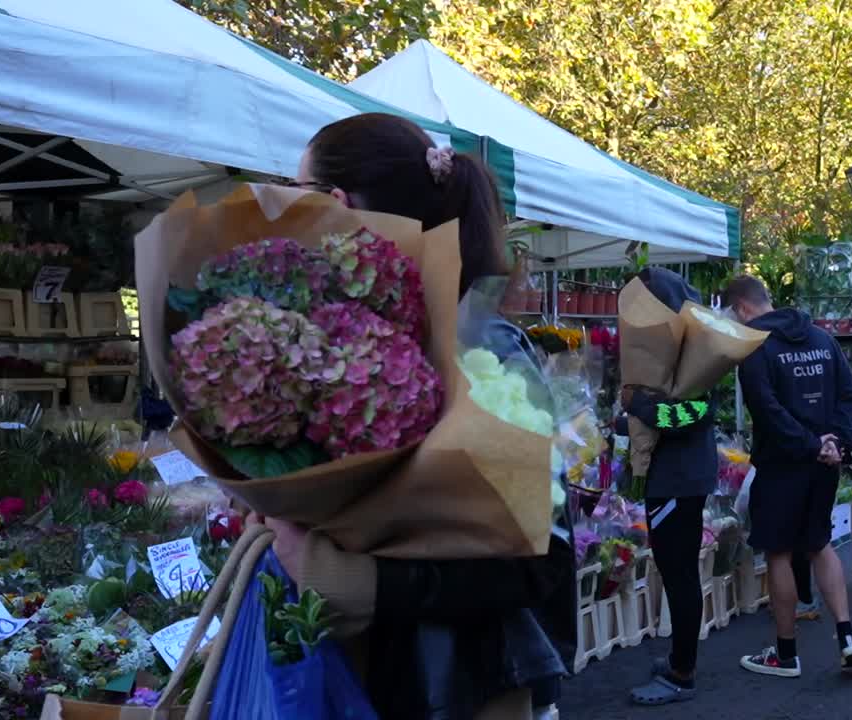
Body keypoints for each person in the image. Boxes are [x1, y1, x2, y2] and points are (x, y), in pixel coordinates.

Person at [264, 112, 575, 720]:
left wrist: (357, 582)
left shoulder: (482, 350)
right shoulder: (335, 344)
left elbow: (545, 562)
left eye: (293, 190)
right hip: (358, 682)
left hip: (462, 692)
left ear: (334, 205)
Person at [725, 274, 852, 677]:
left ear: (740, 309)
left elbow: (767, 410)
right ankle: (848, 638)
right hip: (825, 462)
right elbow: (849, 394)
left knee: (780, 553)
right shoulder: (822, 339)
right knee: (820, 544)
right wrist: (837, 443)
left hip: (782, 463)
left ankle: (785, 654)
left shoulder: (753, 346)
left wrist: (809, 444)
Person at [623, 267, 719, 706]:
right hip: (681, 477)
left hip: (678, 480)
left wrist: (638, 406)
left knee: (679, 574)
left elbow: (687, 416)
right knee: (676, 572)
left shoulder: (698, 353)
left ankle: (681, 674)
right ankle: (681, 659)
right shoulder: (688, 347)